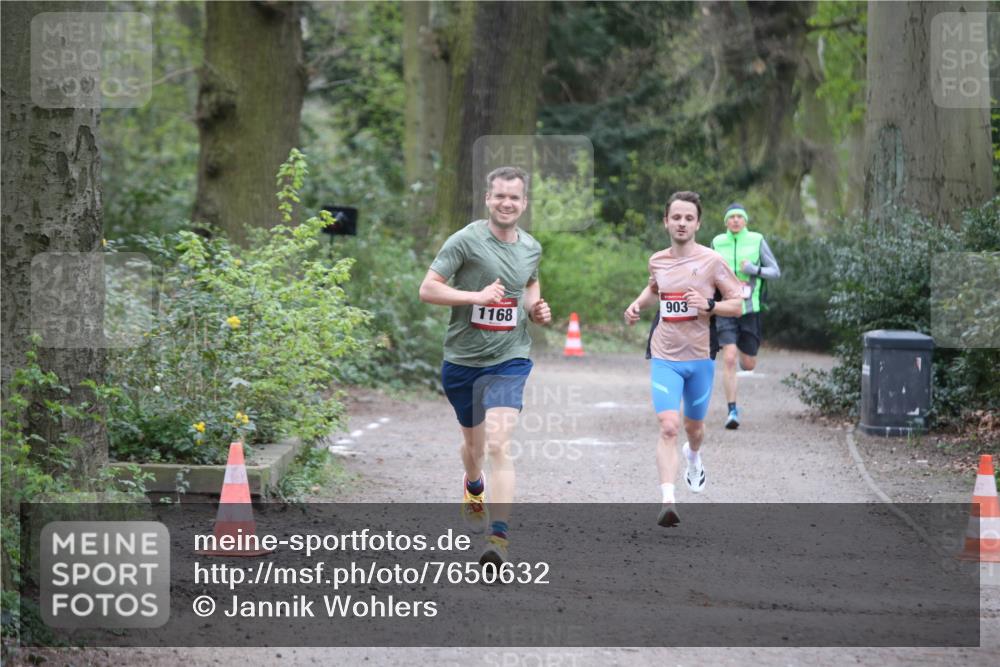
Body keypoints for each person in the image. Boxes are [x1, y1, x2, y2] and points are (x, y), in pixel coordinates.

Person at [418, 166, 551, 566]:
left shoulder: (531, 247)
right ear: (488, 199)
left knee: (498, 442)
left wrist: (535, 307)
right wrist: (475, 296)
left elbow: (529, 284)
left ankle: (499, 539)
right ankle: (473, 484)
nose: (507, 203)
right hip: (462, 360)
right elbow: (428, 289)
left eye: (514, 197)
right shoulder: (465, 240)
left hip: (510, 357)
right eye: (500, 196)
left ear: (524, 203)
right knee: (474, 448)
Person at [624, 191, 742, 527]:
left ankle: (693, 457)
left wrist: (710, 306)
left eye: (689, 218)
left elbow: (737, 303)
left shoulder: (712, 261)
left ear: (698, 223)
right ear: (666, 221)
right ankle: (668, 500)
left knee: (694, 428)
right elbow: (654, 290)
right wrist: (636, 305)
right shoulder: (657, 260)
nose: (682, 223)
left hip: (701, 357)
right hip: (665, 355)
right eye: (676, 217)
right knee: (669, 426)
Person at [710, 203, 781, 429]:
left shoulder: (757, 240)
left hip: (750, 308)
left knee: (748, 364)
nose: (736, 220)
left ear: (746, 221)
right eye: (732, 217)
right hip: (725, 308)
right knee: (729, 358)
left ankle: (743, 350)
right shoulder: (717, 242)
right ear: (726, 222)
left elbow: (775, 271)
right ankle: (732, 411)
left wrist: (754, 269)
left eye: (740, 217)